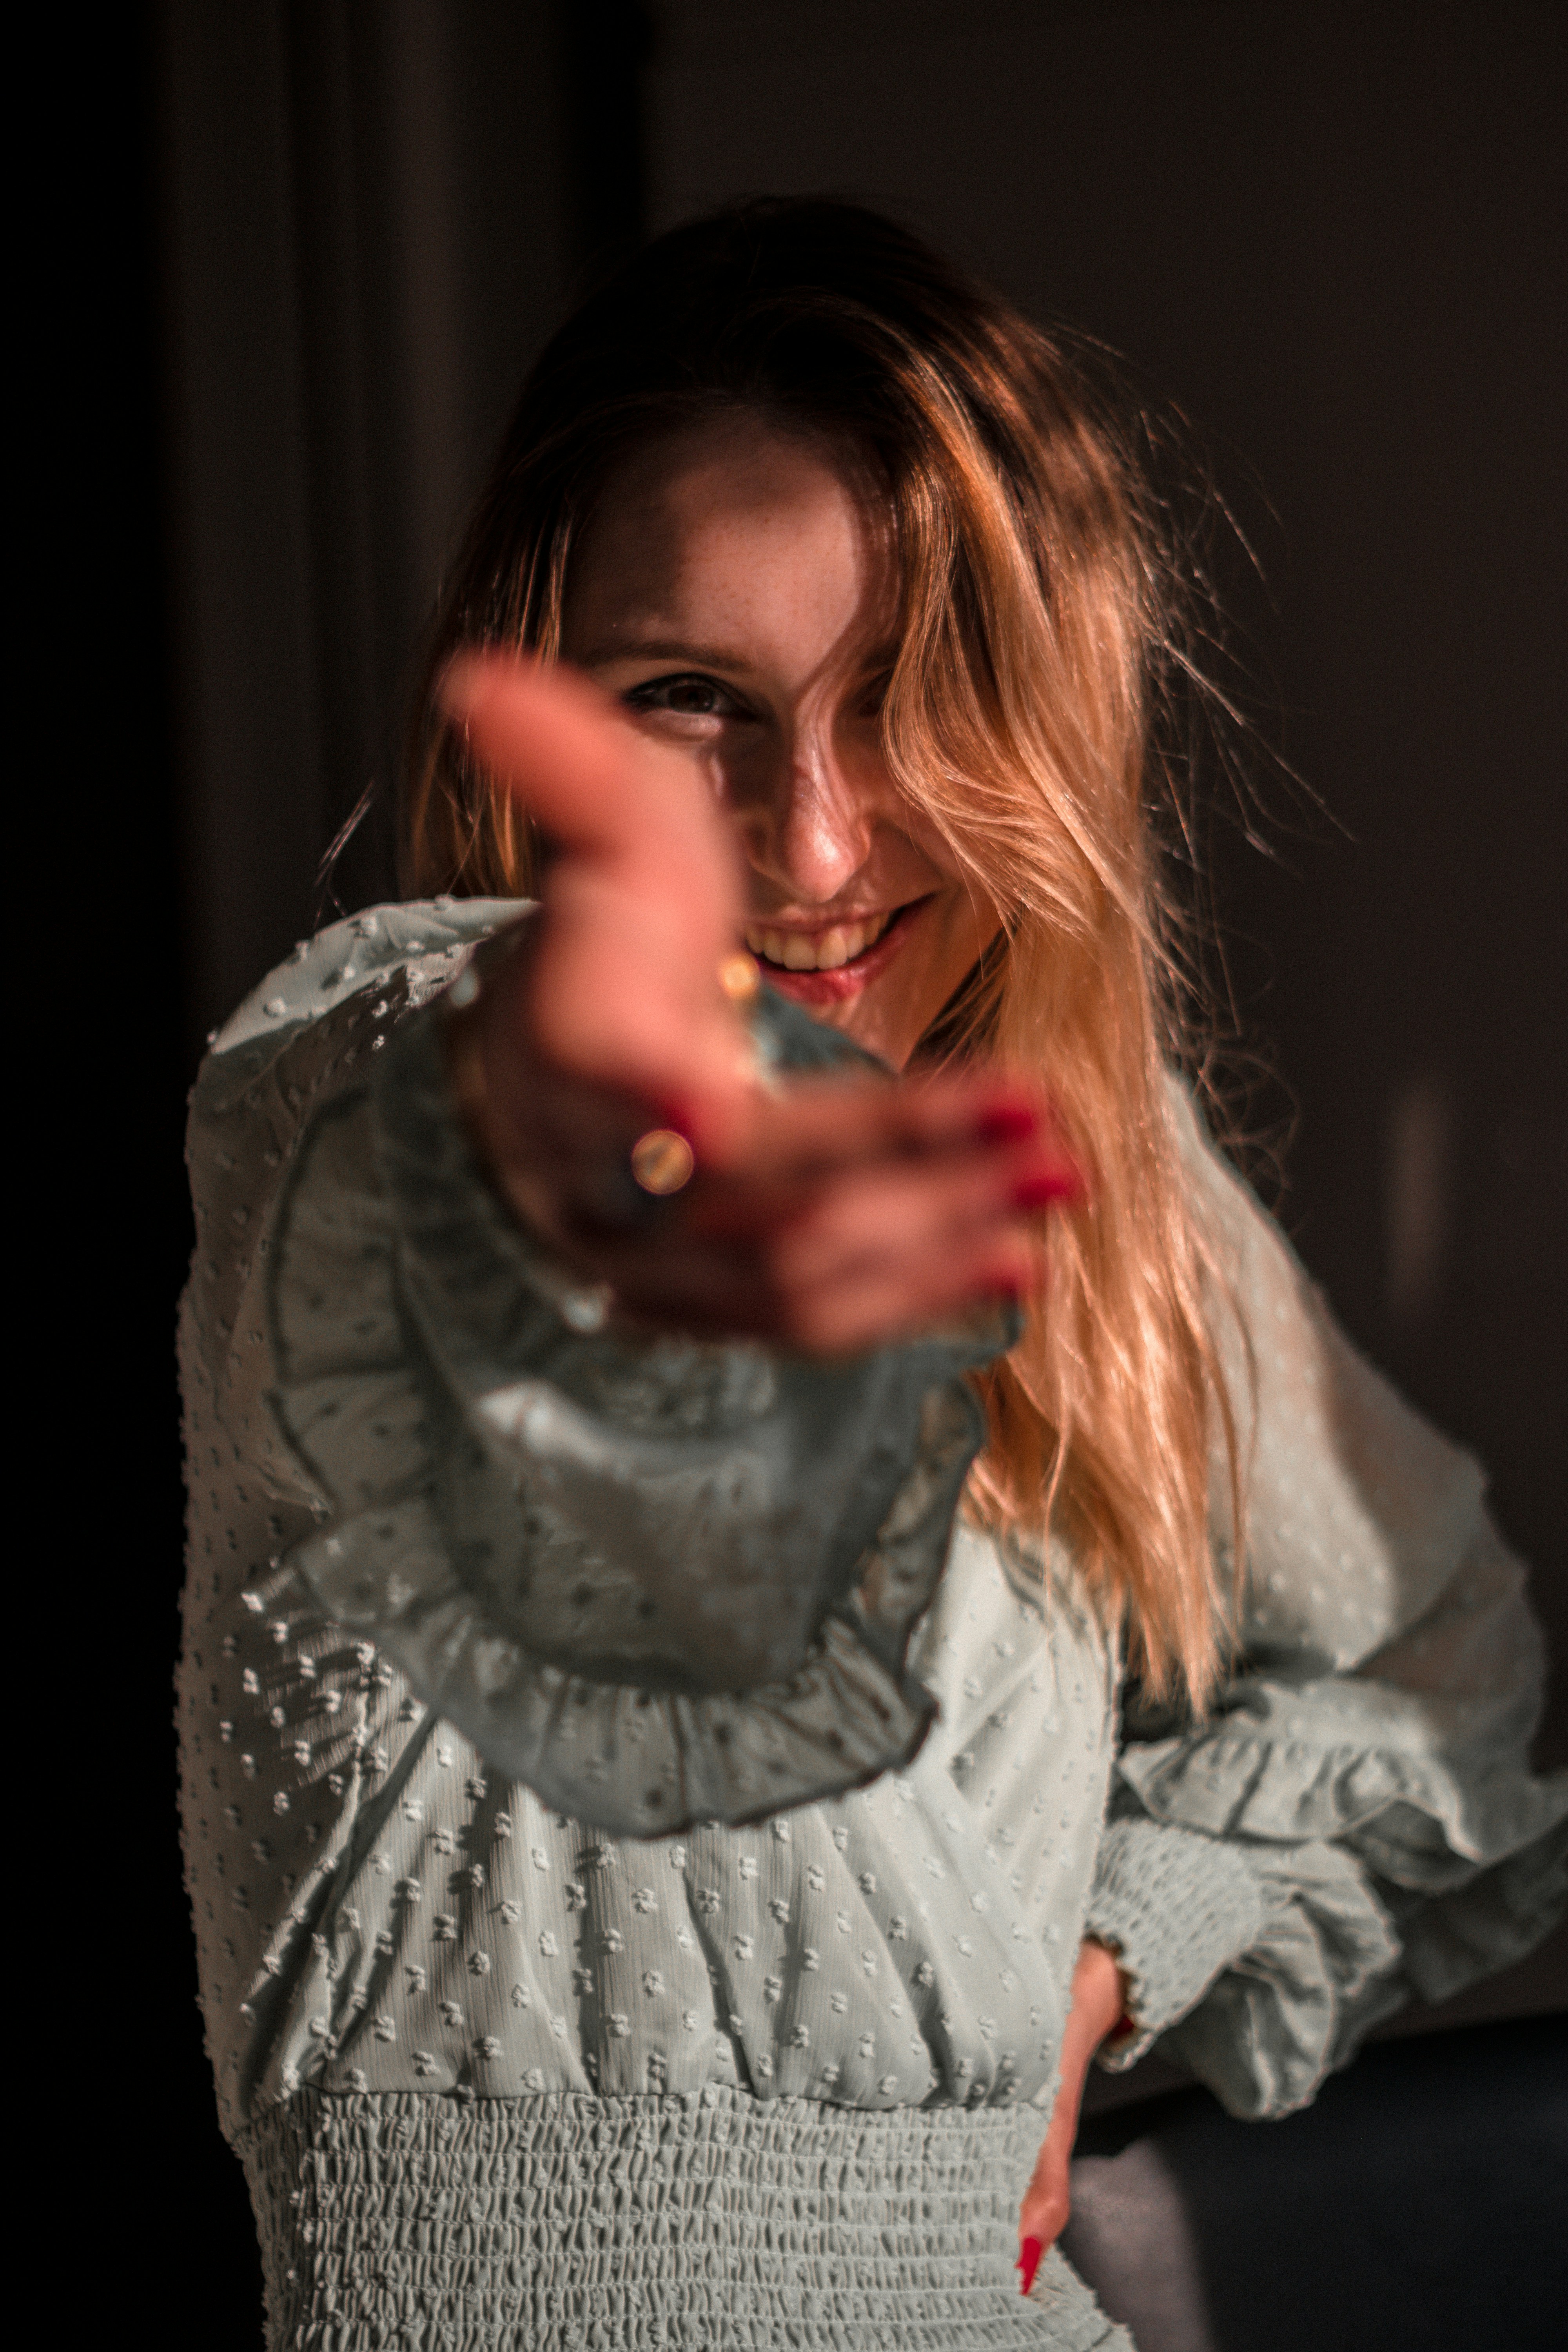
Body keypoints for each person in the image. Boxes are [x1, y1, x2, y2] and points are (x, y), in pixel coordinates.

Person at [177, 200, 1567, 2350]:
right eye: (685, 702)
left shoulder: (1089, 1177)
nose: (816, 845)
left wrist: (1111, 1953)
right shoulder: (362, 1086)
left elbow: (1437, 1662)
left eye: (914, 698)